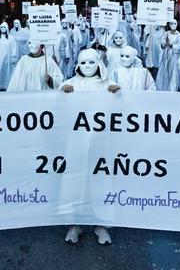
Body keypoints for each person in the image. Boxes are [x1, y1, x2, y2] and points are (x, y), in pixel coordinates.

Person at [61, 48, 120, 245]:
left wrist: (115, 92)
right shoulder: (72, 82)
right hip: (77, 141)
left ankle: (101, 224)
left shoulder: (107, 83)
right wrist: (64, 91)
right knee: (75, 180)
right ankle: (74, 223)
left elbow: (121, 102)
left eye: (91, 62)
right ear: (78, 64)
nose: (87, 67)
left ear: (98, 64)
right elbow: (57, 101)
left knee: (100, 180)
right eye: (83, 63)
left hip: (101, 141)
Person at [156, 19, 180, 91]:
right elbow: (161, 44)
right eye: (171, 24)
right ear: (169, 25)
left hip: (175, 57)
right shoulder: (166, 34)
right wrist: (165, 43)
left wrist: (172, 45)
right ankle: (163, 87)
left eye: (174, 24)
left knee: (174, 73)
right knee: (164, 71)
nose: (173, 25)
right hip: (166, 57)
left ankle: (172, 88)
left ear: (177, 24)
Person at [0, 22, 18, 91]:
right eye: (1, 27)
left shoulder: (11, 38)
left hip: (7, 59)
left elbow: (14, 48)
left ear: (7, 28)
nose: (3, 29)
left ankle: (6, 85)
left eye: (4, 27)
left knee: (6, 72)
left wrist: (13, 58)